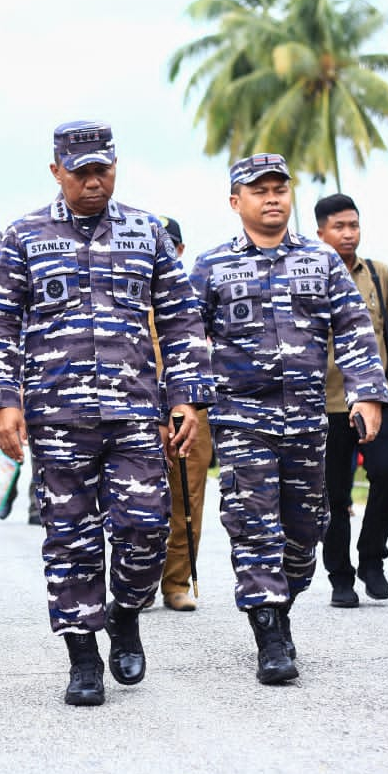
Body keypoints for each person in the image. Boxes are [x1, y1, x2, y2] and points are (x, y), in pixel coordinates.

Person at [0, 121, 214, 706]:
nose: (91, 180)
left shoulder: (146, 231)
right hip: (57, 417)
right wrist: (5, 402)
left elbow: (182, 319)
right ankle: (83, 655)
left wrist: (186, 395)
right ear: (56, 170)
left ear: (115, 166)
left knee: (146, 529)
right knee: (70, 539)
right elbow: (0, 324)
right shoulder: (24, 235)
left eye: (101, 168)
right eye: (79, 170)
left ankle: (126, 611)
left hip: (135, 412)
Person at [191, 154, 387, 685]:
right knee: (254, 525)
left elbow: (353, 328)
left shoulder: (320, 261)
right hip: (241, 418)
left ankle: (283, 598)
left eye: (280, 188)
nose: (272, 197)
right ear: (237, 202)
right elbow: (188, 339)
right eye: (259, 190)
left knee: (306, 532)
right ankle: (269, 631)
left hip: (307, 418)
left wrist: (367, 393)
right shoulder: (212, 267)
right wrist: (186, 402)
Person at [314, 193, 388, 608]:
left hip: (376, 396)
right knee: (334, 495)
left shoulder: (378, 273)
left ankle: (372, 558)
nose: (349, 233)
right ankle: (340, 577)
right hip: (326, 403)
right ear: (320, 232)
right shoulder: (306, 275)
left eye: (354, 225)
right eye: (339, 226)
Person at [154, 216, 212, 613]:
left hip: (188, 406)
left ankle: (176, 582)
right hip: (134, 409)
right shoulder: (121, 291)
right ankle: (135, 579)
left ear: (179, 250)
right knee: (136, 502)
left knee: (187, 497)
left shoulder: (196, 295)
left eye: (167, 244)